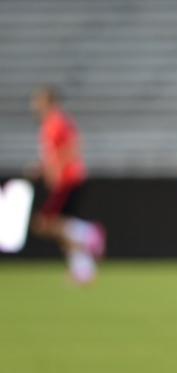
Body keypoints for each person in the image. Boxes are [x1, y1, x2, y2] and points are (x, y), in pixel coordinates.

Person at [29, 85, 106, 285]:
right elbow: (53, 153)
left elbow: (73, 147)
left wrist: (57, 169)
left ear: (49, 102)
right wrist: (42, 168)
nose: (35, 105)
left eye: (38, 101)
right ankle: (83, 270)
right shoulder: (49, 125)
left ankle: (89, 232)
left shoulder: (58, 122)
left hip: (68, 180)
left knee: (45, 223)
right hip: (64, 181)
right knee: (60, 228)